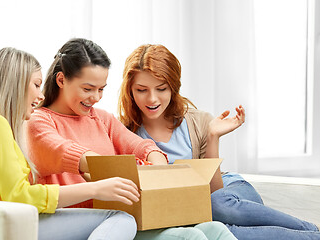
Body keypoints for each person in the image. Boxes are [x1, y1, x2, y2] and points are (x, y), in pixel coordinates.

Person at [26, 38, 237, 240]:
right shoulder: (39, 122)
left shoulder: (102, 119)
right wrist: (113, 172)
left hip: (123, 217)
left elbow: (141, 146)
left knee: (215, 229)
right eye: (88, 89)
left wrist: (157, 165)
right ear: (61, 80)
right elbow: (69, 152)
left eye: (101, 89)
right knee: (191, 236)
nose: (96, 98)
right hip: (83, 221)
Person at [118, 43, 320, 240]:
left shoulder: (198, 121)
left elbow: (216, 192)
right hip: (193, 211)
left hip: (230, 194)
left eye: (161, 89)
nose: (152, 99)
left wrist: (213, 137)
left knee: (215, 205)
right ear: (130, 90)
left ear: (173, 88)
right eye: (141, 90)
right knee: (218, 232)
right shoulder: (123, 134)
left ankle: (311, 230)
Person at [0, 47, 142, 240]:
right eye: (36, 85)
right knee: (121, 219)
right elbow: (20, 196)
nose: (41, 95)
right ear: (15, 83)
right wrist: (96, 189)